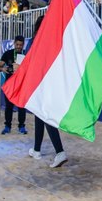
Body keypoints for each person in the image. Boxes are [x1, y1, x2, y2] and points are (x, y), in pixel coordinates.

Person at [26, 16, 67, 168]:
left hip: (40, 82)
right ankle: (36, 149)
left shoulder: (36, 40)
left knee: (45, 115)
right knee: (39, 115)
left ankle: (60, 151)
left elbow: (27, 60)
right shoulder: (54, 39)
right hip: (51, 81)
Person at [0, 36, 27, 135]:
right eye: (17, 44)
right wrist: (3, 69)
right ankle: (7, 126)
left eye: (21, 45)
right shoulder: (8, 53)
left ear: (23, 44)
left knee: (21, 106)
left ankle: (22, 126)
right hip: (10, 84)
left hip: (21, 84)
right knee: (9, 106)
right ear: (14, 43)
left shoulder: (26, 54)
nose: (19, 46)